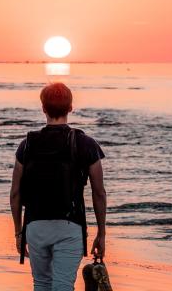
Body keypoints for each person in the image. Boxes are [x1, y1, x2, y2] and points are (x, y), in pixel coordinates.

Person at [10, 82, 107, 291]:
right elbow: (98, 192)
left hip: (35, 226)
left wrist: (19, 232)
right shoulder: (86, 143)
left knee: (41, 284)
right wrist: (101, 233)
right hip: (69, 226)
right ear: (70, 107)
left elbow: (15, 193)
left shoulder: (27, 144)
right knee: (63, 286)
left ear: (43, 108)